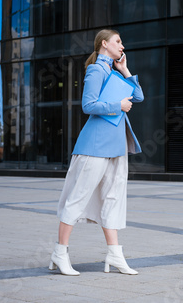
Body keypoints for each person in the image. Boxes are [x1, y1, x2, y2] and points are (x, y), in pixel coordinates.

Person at [49, 29, 144, 276]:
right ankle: (60, 253)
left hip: (116, 146)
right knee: (78, 198)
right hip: (95, 145)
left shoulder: (114, 72)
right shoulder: (95, 70)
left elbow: (140, 96)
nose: (122, 45)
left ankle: (114, 255)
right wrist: (118, 105)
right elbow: (88, 105)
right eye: (118, 41)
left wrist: (124, 70)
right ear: (105, 44)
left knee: (113, 200)